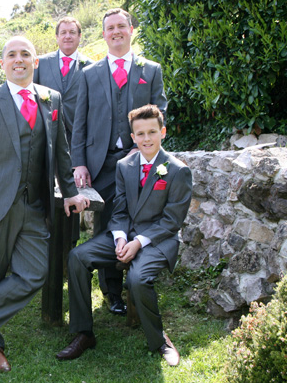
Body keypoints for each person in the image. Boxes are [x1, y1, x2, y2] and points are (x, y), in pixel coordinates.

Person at [0, 36, 90, 372]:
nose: (19, 59)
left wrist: (69, 191)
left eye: (26, 54)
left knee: (34, 273)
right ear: (3, 64)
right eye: (11, 55)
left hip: (35, 204)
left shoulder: (51, 98)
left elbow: (62, 150)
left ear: (35, 62)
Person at [57, 104, 192, 367]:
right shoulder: (124, 165)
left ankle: (160, 341)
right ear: (133, 137)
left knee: (138, 279)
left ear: (162, 132)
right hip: (124, 235)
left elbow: (172, 221)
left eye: (152, 132)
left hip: (158, 241)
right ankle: (83, 333)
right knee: (77, 256)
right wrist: (120, 238)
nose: (146, 138)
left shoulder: (177, 170)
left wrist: (138, 242)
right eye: (140, 134)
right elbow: (118, 209)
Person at [70, 8, 168, 315]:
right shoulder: (88, 74)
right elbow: (79, 122)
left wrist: (143, 150)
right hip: (101, 164)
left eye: (121, 26)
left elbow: (161, 113)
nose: (116, 31)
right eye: (110, 27)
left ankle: (138, 283)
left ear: (131, 29)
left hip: (140, 162)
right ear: (103, 34)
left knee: (140, 221)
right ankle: (111, 291)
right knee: (107, 227)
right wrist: (79, 163)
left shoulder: (150, 70)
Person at [33, 16, 93, 145]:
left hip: (78, 135)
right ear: (57, 37)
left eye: (72, 32)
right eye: (63, 32)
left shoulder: (91, 67)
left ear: (79, 36)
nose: (68, 36)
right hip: (46, 134)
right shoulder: (41, 63)